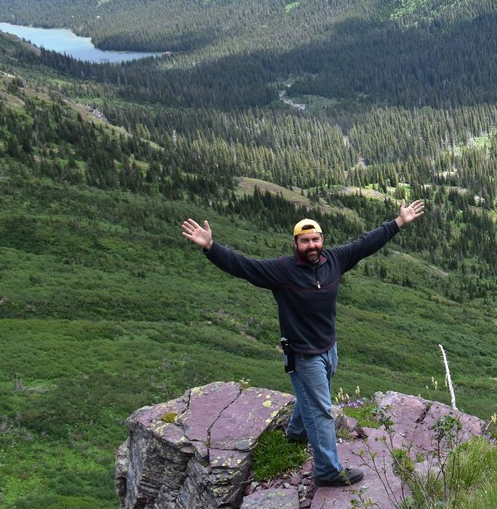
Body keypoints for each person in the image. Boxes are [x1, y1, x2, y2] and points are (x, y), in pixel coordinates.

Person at [181, 200, 426, 487]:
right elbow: (243, 267)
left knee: (312, 397)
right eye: (305, 241)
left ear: (322, 240)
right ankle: (328, 471)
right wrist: (211, 248)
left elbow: (365, 244)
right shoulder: (281, 271)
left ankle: (296, 432)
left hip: (328, 349)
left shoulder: (335, 260)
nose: (311, 245)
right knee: (322, 409)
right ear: (295, 243)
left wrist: (397, 223)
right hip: (303, 355)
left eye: (315, 239)